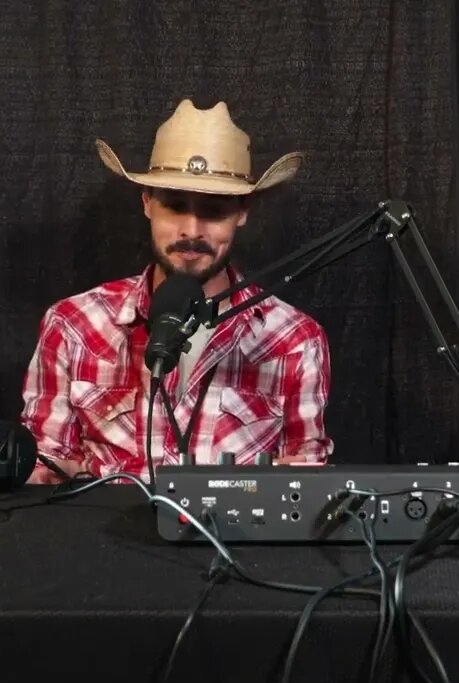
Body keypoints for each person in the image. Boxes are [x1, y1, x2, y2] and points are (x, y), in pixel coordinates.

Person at [20, 99, 332, 484]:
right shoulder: (74, 325)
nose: (191, 230)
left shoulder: (294, 341)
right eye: (175, 206)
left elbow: (306, 480)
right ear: (148, 204)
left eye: (213, 210)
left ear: (242, 212)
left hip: (226, 544)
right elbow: (45, 463)